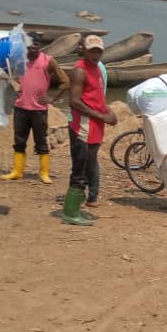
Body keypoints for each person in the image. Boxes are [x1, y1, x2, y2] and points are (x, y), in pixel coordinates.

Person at [61, 35, 117, 226]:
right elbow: (74, 102)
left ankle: (76, 207)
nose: (95, 54)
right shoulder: (80, 70)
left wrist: (107, 110)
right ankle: (70, 211)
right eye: (92, 50)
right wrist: (102, 117)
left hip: (95, 127)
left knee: (87, 167)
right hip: (83, 126)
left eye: (98, 51)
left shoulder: (97, 69)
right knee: (79, 169)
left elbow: (95, 97)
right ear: (83, 50)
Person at [1, 33, 69, 184]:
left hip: (39, 109)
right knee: (19, 141)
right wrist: (15, 88)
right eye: (29, 44)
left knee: (41, 142)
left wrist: (53, 99)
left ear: (40, 45)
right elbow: (8, 74)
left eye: (36, 44)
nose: (32, 47)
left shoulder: (48, 61)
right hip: (20, 108)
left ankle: (44, 173)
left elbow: (65, 81)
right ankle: (17, 171)